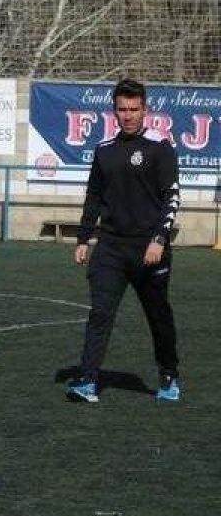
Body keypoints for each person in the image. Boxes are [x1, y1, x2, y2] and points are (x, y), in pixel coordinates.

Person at [66, 78, 181, 403]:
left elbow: (172, 198)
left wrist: (159, 239)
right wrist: (84, 237)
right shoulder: (105, 151)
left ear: (145, 110)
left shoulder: (160, 147)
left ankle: (169, 373)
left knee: (158, 317)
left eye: (134, 109)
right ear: (113, 112)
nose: (127, 115)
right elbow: (94, 196)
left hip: (150, 249)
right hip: (111, 247)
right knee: (100, 312)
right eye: (121, 109)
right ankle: (88, 380)